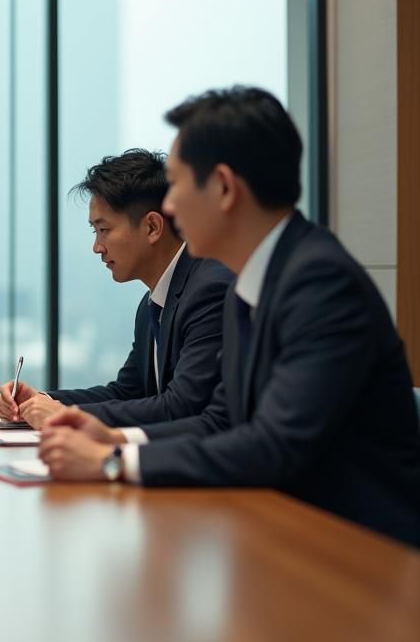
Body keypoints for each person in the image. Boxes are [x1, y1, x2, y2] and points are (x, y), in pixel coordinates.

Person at [38, 87, 420, 549]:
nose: (170, 206)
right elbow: (219, 421)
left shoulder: (320, 282)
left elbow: (274, 445)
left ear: (222, 188)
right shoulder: (250, 282)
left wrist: (111, 461)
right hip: (280, 536)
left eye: (177, 185)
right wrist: (111, 436)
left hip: (363, 553)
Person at [0, 149, 231, 430]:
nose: (97, 247)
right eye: (94, 232)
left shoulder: (209, 290)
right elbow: (126, 393)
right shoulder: (151, 306)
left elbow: (182, 407)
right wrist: (39, 400)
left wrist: (61, 414)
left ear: (153, 227)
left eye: (104, 230)